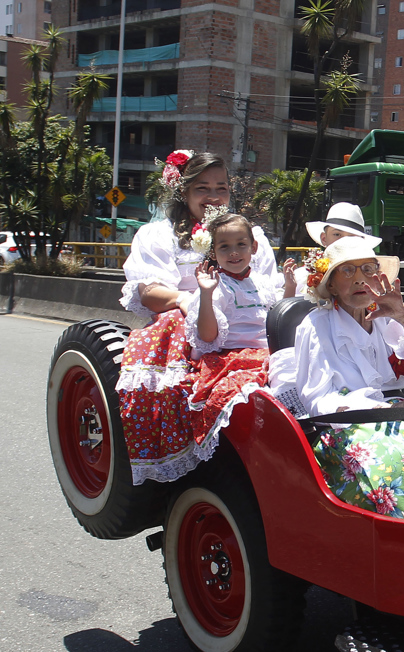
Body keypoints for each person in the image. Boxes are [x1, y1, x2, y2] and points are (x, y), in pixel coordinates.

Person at [116, 150, 284, 485]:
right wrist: (189, 299)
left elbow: (268, 286)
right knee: (172, 347)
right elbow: (148, 291)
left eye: (221, 188)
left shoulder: (251, 235)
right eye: (202, 188)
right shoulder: (159, 235)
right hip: (185, 313)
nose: (213, 196)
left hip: (246, 317)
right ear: (184, 192)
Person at [289, 236, 404, 523]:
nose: (361, 279)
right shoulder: (315, 326)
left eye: (368, 269)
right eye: (348, 271)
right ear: (331, 284)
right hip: (349, 427)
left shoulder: (385, 315)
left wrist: (403, 316)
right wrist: (378, 409)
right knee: (396, 463)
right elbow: (317, 400)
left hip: (399, 412)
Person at [184, 212, 284, 462]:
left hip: (269, 353)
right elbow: (207, 337)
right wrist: (206, 295)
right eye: (224, 247)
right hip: (233, 357)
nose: (234, 253)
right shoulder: (217, 285)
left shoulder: (263, 282)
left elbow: (277, 319)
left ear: (254, 247)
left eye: (241, 244)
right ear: (213, 253)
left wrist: (291, 287)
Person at [281, 202, 382, 292]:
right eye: (337, 234)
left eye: (352, 236)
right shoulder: (301, 277)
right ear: (324, 238)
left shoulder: (371, 278)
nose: (344, 241)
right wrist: (290, 288)